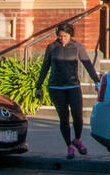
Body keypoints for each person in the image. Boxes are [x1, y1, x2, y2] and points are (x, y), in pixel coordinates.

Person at [35, 22, 101, 158]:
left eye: (65, 36)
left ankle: (77, 139)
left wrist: (96, 81)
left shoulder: (77, 47)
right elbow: (45, 67)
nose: (62, 39)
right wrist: (38, 86)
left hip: (73, 86)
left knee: (77, 116)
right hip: (56, 87)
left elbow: (87, 64)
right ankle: (69, 146)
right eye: (60, 36)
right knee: (64, 118)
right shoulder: (52, 47)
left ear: (70, 35)